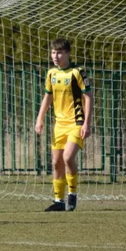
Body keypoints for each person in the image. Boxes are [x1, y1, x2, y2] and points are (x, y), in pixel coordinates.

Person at [35, 38, 92, 211]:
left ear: (67, 53)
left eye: (59, 52)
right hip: (59, 125)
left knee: (68, 158)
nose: (55, 56)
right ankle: (58, 201)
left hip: (76, 123)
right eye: (53, 52)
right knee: (56, 163)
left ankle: (72, 194)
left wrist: (86, 124)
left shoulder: (77, 72)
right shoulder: (52, 73)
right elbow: (48, 97)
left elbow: (88, 97)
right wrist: (40, 118)